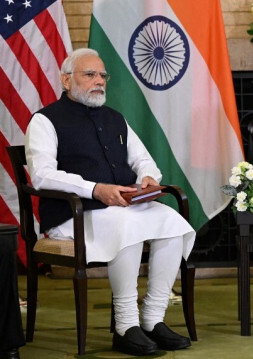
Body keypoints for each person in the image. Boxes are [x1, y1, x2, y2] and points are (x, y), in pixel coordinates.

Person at [25, 48, 196, 356]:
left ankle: (152, 319)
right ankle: (125, 326)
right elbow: (42, 176)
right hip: (71, 215)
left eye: (102, 75)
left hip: (117, 209)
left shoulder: (115, 118)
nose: (99, 81)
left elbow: (143, 159)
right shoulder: (45, 120)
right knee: (127, 224)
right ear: (66, 80)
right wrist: (95, 189)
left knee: (172, 223)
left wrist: (148, 178)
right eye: (89, 75)